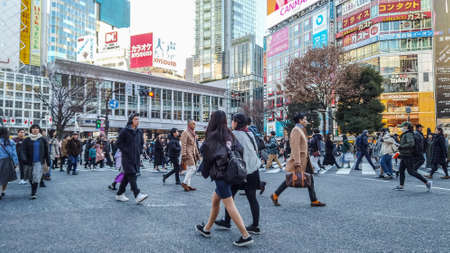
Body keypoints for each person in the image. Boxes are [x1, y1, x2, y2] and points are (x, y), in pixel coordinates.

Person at [195, 110, 253, 247]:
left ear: (213, 120)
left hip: (221, 174)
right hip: (230, 172)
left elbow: (206, 153)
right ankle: (207, 229)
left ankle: (246, 235)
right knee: (215, 200)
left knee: (229, 204)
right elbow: (239, 149)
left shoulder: (214, 135)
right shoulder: (229, 133)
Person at [214, 113, 262, 234]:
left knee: (229, 196)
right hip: (253, 169)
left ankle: (227, 221)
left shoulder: (233, 135)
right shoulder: (250, 133)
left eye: (233, 121)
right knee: (252, 198)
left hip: (239, 170)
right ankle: (255, 226)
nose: (232, 123)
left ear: (236, 122)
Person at [270, 113, 326, 207]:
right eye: (305, 119)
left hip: (305, 158)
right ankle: (275, 195)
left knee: (309, 179)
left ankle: (314, 200)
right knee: (290, 179)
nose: (306, 121)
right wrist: (297, 162)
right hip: (300, 159)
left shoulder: (301, 130)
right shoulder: (296, 130)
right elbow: (295, 147)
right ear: (300, 120)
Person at [115, 113, 148, 204]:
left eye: (138, 119)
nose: (138, 121)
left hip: (136, 157)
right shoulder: (125, 131)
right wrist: (126, 150)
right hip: (127, 157)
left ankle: (119, 194)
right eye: (136, 119)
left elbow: (141, 143)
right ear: (131, 120)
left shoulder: (139, 131)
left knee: (126, 176)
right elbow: (118, 143)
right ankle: (137, 195)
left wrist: (140, 151)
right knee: (132, 174)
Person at [393, 122, 432, 192]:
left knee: (411, 171)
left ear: (407, 127)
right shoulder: (407, 134)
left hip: (408, 155)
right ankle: (401, 186)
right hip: (404, 154)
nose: (401, 128)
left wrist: (400, 146)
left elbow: (411, 143)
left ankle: (427, 182)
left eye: (403, 127)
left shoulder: (409, 134)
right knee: (401, 170)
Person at [22, 124, 50, 199]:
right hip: (29, 161)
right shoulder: (26, 139)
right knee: (30, 177)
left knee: (36, 176)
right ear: (31, 130)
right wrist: (24, 158)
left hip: (39, 161)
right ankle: (33, 187)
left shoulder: (42, 139)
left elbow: (46, 151)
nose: (35, 130)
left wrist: (48, 161)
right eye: (33, 128)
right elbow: (23, 150)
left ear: (39, 130)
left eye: (37, 128)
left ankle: (34, 192)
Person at [181, 120, 200, 192]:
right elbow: (183, 145)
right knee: (193, 168)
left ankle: (188, 186)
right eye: (193, 124)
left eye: (195, 124)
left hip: (193, 153)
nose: (195, 125)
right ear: (189, 124)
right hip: (188, 154)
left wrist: (197, 154)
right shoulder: (185, 132)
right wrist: (183, 155)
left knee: (189, 169)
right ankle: (184, 183)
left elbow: (194, 145)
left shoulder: (193, 133)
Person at [0, 127, 19, 200]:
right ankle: (3, 191)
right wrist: (16, 162)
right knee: (5, 177)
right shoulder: (10, 142)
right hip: (6, 161)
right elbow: (13, 153)